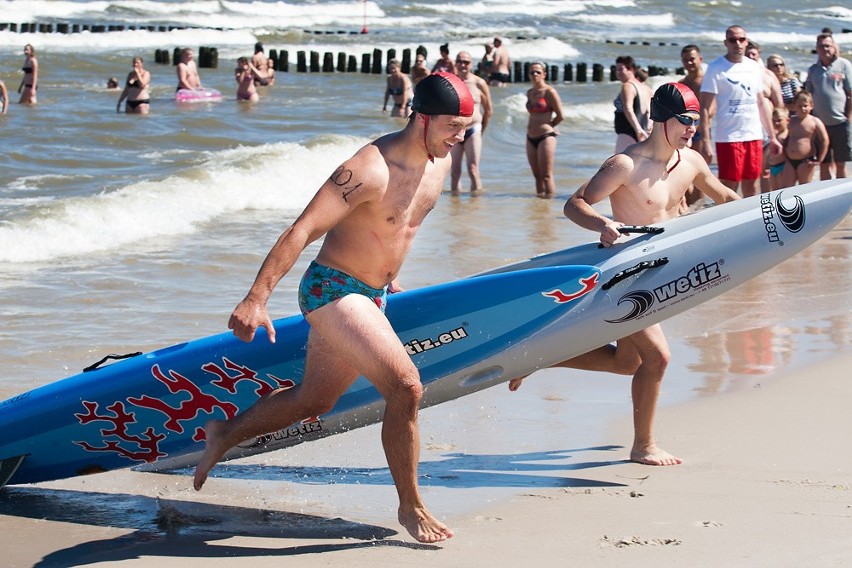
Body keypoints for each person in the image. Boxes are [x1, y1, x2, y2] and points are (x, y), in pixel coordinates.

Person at [192, 72, 474, 544]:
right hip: (332, 290)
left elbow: (394, 230)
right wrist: (256, 297)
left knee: (314, 400)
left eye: (466, 127)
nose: (459, 137)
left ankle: (223, 434)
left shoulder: (438, 161)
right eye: (452, 126)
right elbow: (303, 230)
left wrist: (390, 280)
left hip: (373, 294)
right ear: (422, 118)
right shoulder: (367, 170)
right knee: (405, 387)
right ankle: (411, 506)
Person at [510, 83, 741, 466]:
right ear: (661, 119)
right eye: (685, 121)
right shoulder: (626, 165)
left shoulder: (692, 162)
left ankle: (539, 358)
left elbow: (727, 199)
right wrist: (601, 224)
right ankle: (643, 445)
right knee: (659, 358)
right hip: (626, 276)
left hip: (665, 275)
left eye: (696, 122)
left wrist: (775, 219)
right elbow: (575, 204)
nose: (691, 129)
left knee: (627, 363)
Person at [699, 25, 782, 198]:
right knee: (729, 185)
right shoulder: (716, 68)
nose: (737, 43)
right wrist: (706, 141)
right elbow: (705, 107)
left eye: (741, 39)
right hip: (728, 137)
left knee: (751, 185)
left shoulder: (753, 67)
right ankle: (726, 221)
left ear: (746, 42)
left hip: (753, 135)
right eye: (732, 40)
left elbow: (760, 103)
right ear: (726, 43)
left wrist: (772, 137)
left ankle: (750, 221)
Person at [804, 32, 852, 180]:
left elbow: (850, 93)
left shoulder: (843, 64)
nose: (825, 49)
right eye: (821, 46)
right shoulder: (813, 69)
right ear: (816, 48)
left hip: (840, 123)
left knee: (840, 163)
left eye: (828, 45)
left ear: (833, 47)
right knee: (823, 163)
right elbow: (807, 95)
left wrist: (849, 118)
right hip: (820, 125)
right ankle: (827, 197)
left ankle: (843, 197)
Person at [449, 51, 492, 194]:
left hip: (473, 130)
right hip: (455, 131)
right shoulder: (451, 82)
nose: (462, 65)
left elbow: (488, 110)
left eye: (466, 62)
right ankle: (455, 210)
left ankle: (475, 209)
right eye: (460, 61)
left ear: (471, 64)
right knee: (454, 172)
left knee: (473, 169)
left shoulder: (479, 83)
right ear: (455, 63)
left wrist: (481, 130)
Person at [524, 62, 564, 199]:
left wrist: (551, 125)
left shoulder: (549, 92)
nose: (534, 74)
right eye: (532, 72)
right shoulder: (529, 92)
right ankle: (540, 207)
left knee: (546, 175)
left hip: (546, 136)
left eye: (538, 72)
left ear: (544, 74)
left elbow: (560, 115)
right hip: (530, 137)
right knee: (537, 176)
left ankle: (549, 205)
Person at [784, 91, 829, 186]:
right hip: (789, 159)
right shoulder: (791, 121)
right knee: (787, 188)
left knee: (804, 188)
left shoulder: (814, 121)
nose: (803, 109)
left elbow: (825, 140)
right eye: (799, 106)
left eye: (805, 106)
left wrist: (820, 160)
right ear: (795, 106)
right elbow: (785, 138)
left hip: (805, 161)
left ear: (811, 106)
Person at [613, 55, 652, 152]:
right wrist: (646, 130)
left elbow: (628, 108)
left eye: (621, 69)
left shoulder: (628, 85)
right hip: (643, 134)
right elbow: (650, 112)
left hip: (628, 132)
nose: (618, 73)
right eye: (616, 70)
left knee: (619, 165)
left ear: (631, 69)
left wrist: (638, 129)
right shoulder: (646, 88)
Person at [767, 107, 790, 190]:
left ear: (787, 120)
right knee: (774, 191)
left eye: (779, 120)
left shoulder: (787, 135)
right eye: (774, 121)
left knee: (782, 191)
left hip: (782, 167)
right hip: (773, 167)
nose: (776, 123)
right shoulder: (774, 135)